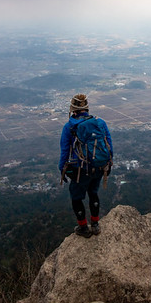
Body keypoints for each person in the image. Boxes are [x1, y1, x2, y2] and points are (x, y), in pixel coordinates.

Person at [59, 94, 113, 238]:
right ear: (86, 108)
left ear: (73, 110)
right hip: (99, 166)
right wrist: (109, 162)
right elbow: (109, 143)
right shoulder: (100, 122)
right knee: (93, 193)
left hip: (80, 169)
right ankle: (95, 225)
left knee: (76, 198)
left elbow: (65, 150)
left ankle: (83, 227)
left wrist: (61, 169)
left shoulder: (70, 126)